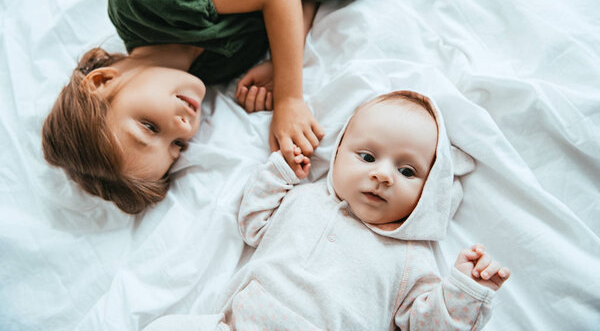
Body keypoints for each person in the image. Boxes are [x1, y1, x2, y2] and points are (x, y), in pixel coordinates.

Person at [42, 0, 478, 213]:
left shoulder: (142, 2)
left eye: (148, 125)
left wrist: (289, 97)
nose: (181, 127)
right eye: (176, 145)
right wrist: (276, 59)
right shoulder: (210, 69)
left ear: (103, 81)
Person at [144, 90, 511, 330]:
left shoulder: (411, 258)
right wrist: (281, 173)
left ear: (430, 191)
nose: (382, 175)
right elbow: (251, 224)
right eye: (367, 157)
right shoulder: (303, 198)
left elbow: (424, 325)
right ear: (336, 155)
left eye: (407, 171)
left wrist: (464, 290)